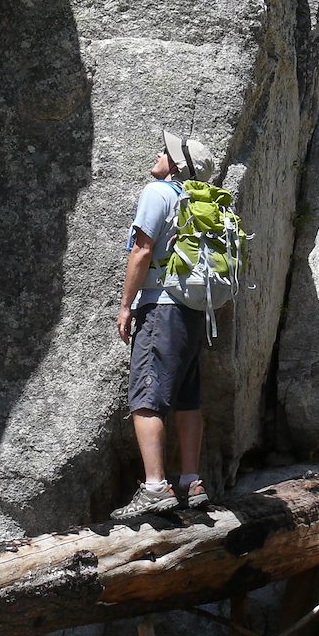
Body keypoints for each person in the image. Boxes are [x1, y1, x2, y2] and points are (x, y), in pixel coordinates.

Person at [112, 129, 217, 520]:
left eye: (166, 152)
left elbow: (142, 249)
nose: (159, 154)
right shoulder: (195, 201)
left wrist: (126, 306)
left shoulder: (158, 193)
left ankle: (156, 488)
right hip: (193, 309)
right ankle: (191, 479)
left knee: (146, 395)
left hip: (161, 308)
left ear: (175, 165)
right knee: (188, 396)